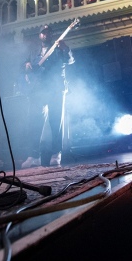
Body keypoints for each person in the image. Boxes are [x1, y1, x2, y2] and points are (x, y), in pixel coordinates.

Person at [21, 25, 75, 169]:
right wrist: (27, 68)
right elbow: (26, 66)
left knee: (56, 121)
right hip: (37, 89)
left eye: (48, 33)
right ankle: (34, 156)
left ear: (51, 35)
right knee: (34, 122)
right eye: (43, 33)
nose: (46, 35)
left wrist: (65, 48)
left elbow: (70, 61)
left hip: (55, 88)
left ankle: (56, 154)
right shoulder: (33, 51)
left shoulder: (58, 48)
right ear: (39, 35)